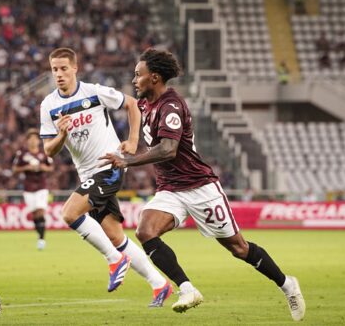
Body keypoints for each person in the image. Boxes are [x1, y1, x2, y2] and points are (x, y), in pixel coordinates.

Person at [100, 49, 305, 320]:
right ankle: (187, 289)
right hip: (170, 189)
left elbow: (169, 149)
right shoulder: (145, 103)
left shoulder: (171, 106)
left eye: (139, 75)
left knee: (238, 248)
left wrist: (128, 160)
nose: (134, 79)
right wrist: (132, 139)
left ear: (156, 78)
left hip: (199, 187)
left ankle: (286, 284)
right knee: (146, 231)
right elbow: (133, 112)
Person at [39, 47, 172, 307]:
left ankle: (114, 259)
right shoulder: (49, 105)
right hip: (87, 174)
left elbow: (132, 104)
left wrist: (132, 141)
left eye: (64, 68)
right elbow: (48, 150)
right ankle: (159, 285)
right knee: (115, 236)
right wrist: (62, 136)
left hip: (110, 166)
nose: (59, 74)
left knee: (69, 213)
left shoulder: (94, 92)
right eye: (55, 69)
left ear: (75, 68)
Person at [12, 128, 54, 250]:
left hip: (41, 186)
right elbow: (14, 169)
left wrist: (42, 167)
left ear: (38, 141)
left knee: (41, 211)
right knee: (35, 215)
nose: (33, 141)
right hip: (28, 187)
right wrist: (27, 167)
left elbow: (51, 168)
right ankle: (39, 233)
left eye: (36, 138)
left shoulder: (43, 153)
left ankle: (41, 240)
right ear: (27, 141)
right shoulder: (22, 154)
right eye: (31, 139)